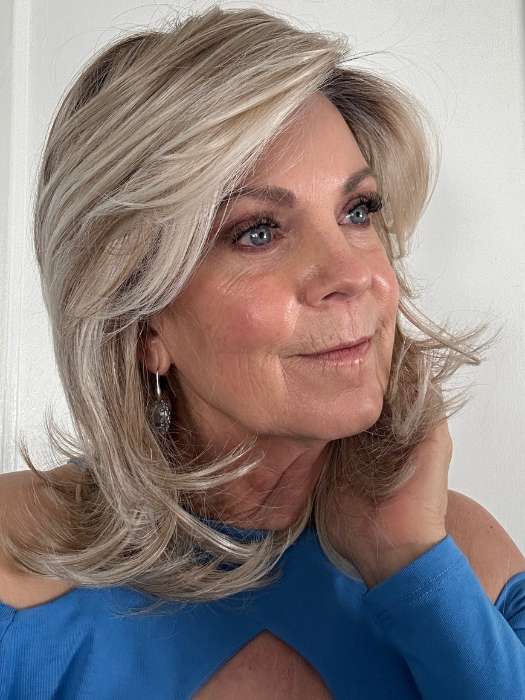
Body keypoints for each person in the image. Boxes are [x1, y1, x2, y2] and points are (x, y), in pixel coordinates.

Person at [1, 6, 524, 699]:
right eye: (257, 231)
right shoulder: (17, 563)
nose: (354, 275)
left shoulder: (464, 559)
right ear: (140, 319)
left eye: (358, 211)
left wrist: (408, 562)